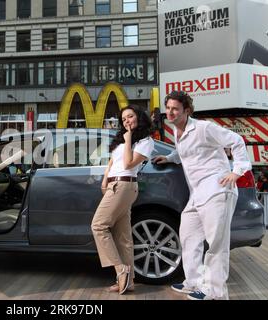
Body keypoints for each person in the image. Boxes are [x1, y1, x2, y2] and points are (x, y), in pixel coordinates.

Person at [152, 91, 252, 300]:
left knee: (216, 243)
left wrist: (237, 170)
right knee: (188, 236)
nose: (170, 112)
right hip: (197, 194)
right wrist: (170, 157)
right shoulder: (178, 132)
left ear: (186, 111)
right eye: (168, 108)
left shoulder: (204, 128)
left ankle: (215, 292)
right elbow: (188, 152)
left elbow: (237, 140)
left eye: (175, 109)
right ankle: (193, 283)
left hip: (217, 190)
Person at [91, 105, 154, 295]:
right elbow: (113, 162)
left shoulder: (145, 141)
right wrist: (105, 179)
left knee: (98, 226)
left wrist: (128, 141)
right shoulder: (123, 139)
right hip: (115, 186)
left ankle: (121, 270)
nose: (127, 121)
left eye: (130, 116)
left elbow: (128, 163)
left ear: (139, 117)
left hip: (125, 186)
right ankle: (129, 281)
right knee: (123, 237)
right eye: (124, 118)